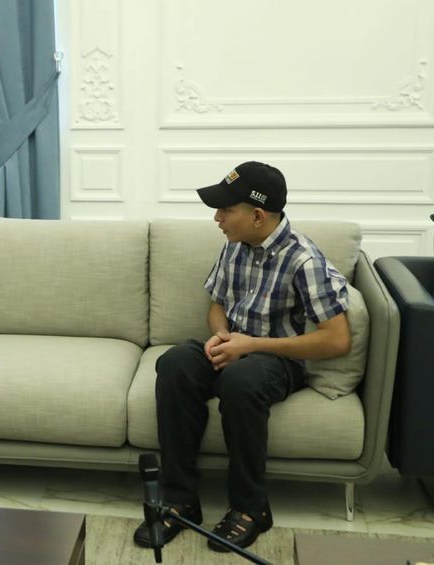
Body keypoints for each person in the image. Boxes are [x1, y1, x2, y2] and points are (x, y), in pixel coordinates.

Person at [134, 161, 351, 552]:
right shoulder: (235, 245)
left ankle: (251, 508)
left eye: (225, 209)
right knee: (174, 364)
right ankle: (180, 501)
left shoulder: (304, 260)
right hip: (235, 346)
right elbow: (216, 304)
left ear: (257, 215)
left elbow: (336, 340)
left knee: (241, 380)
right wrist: (222, 337)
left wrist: (250, 346)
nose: (217, 218)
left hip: (279, 361)